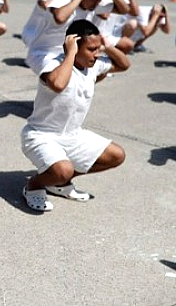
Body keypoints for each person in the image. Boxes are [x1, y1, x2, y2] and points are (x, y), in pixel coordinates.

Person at [21, 19, 129, 212]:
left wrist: (107, 46)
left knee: (116, 155)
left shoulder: (93, 66)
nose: (96, 54)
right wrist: (69, 53)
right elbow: (58, 84)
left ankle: (59, 182)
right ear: (73, 45)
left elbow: (124, 64)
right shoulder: (52, 64)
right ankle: (34, 185)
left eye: (98, 49)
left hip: (72, 135)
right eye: (91, 49)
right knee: (63, 170)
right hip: (40, 135)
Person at [22, 0, 109, 74]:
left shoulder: (93, 6)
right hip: (44, 54)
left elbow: (127, 10)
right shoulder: (62, 1)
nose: (97, 2)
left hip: (67, 55)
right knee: (61, 82)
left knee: (102, 70)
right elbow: (60, 18)